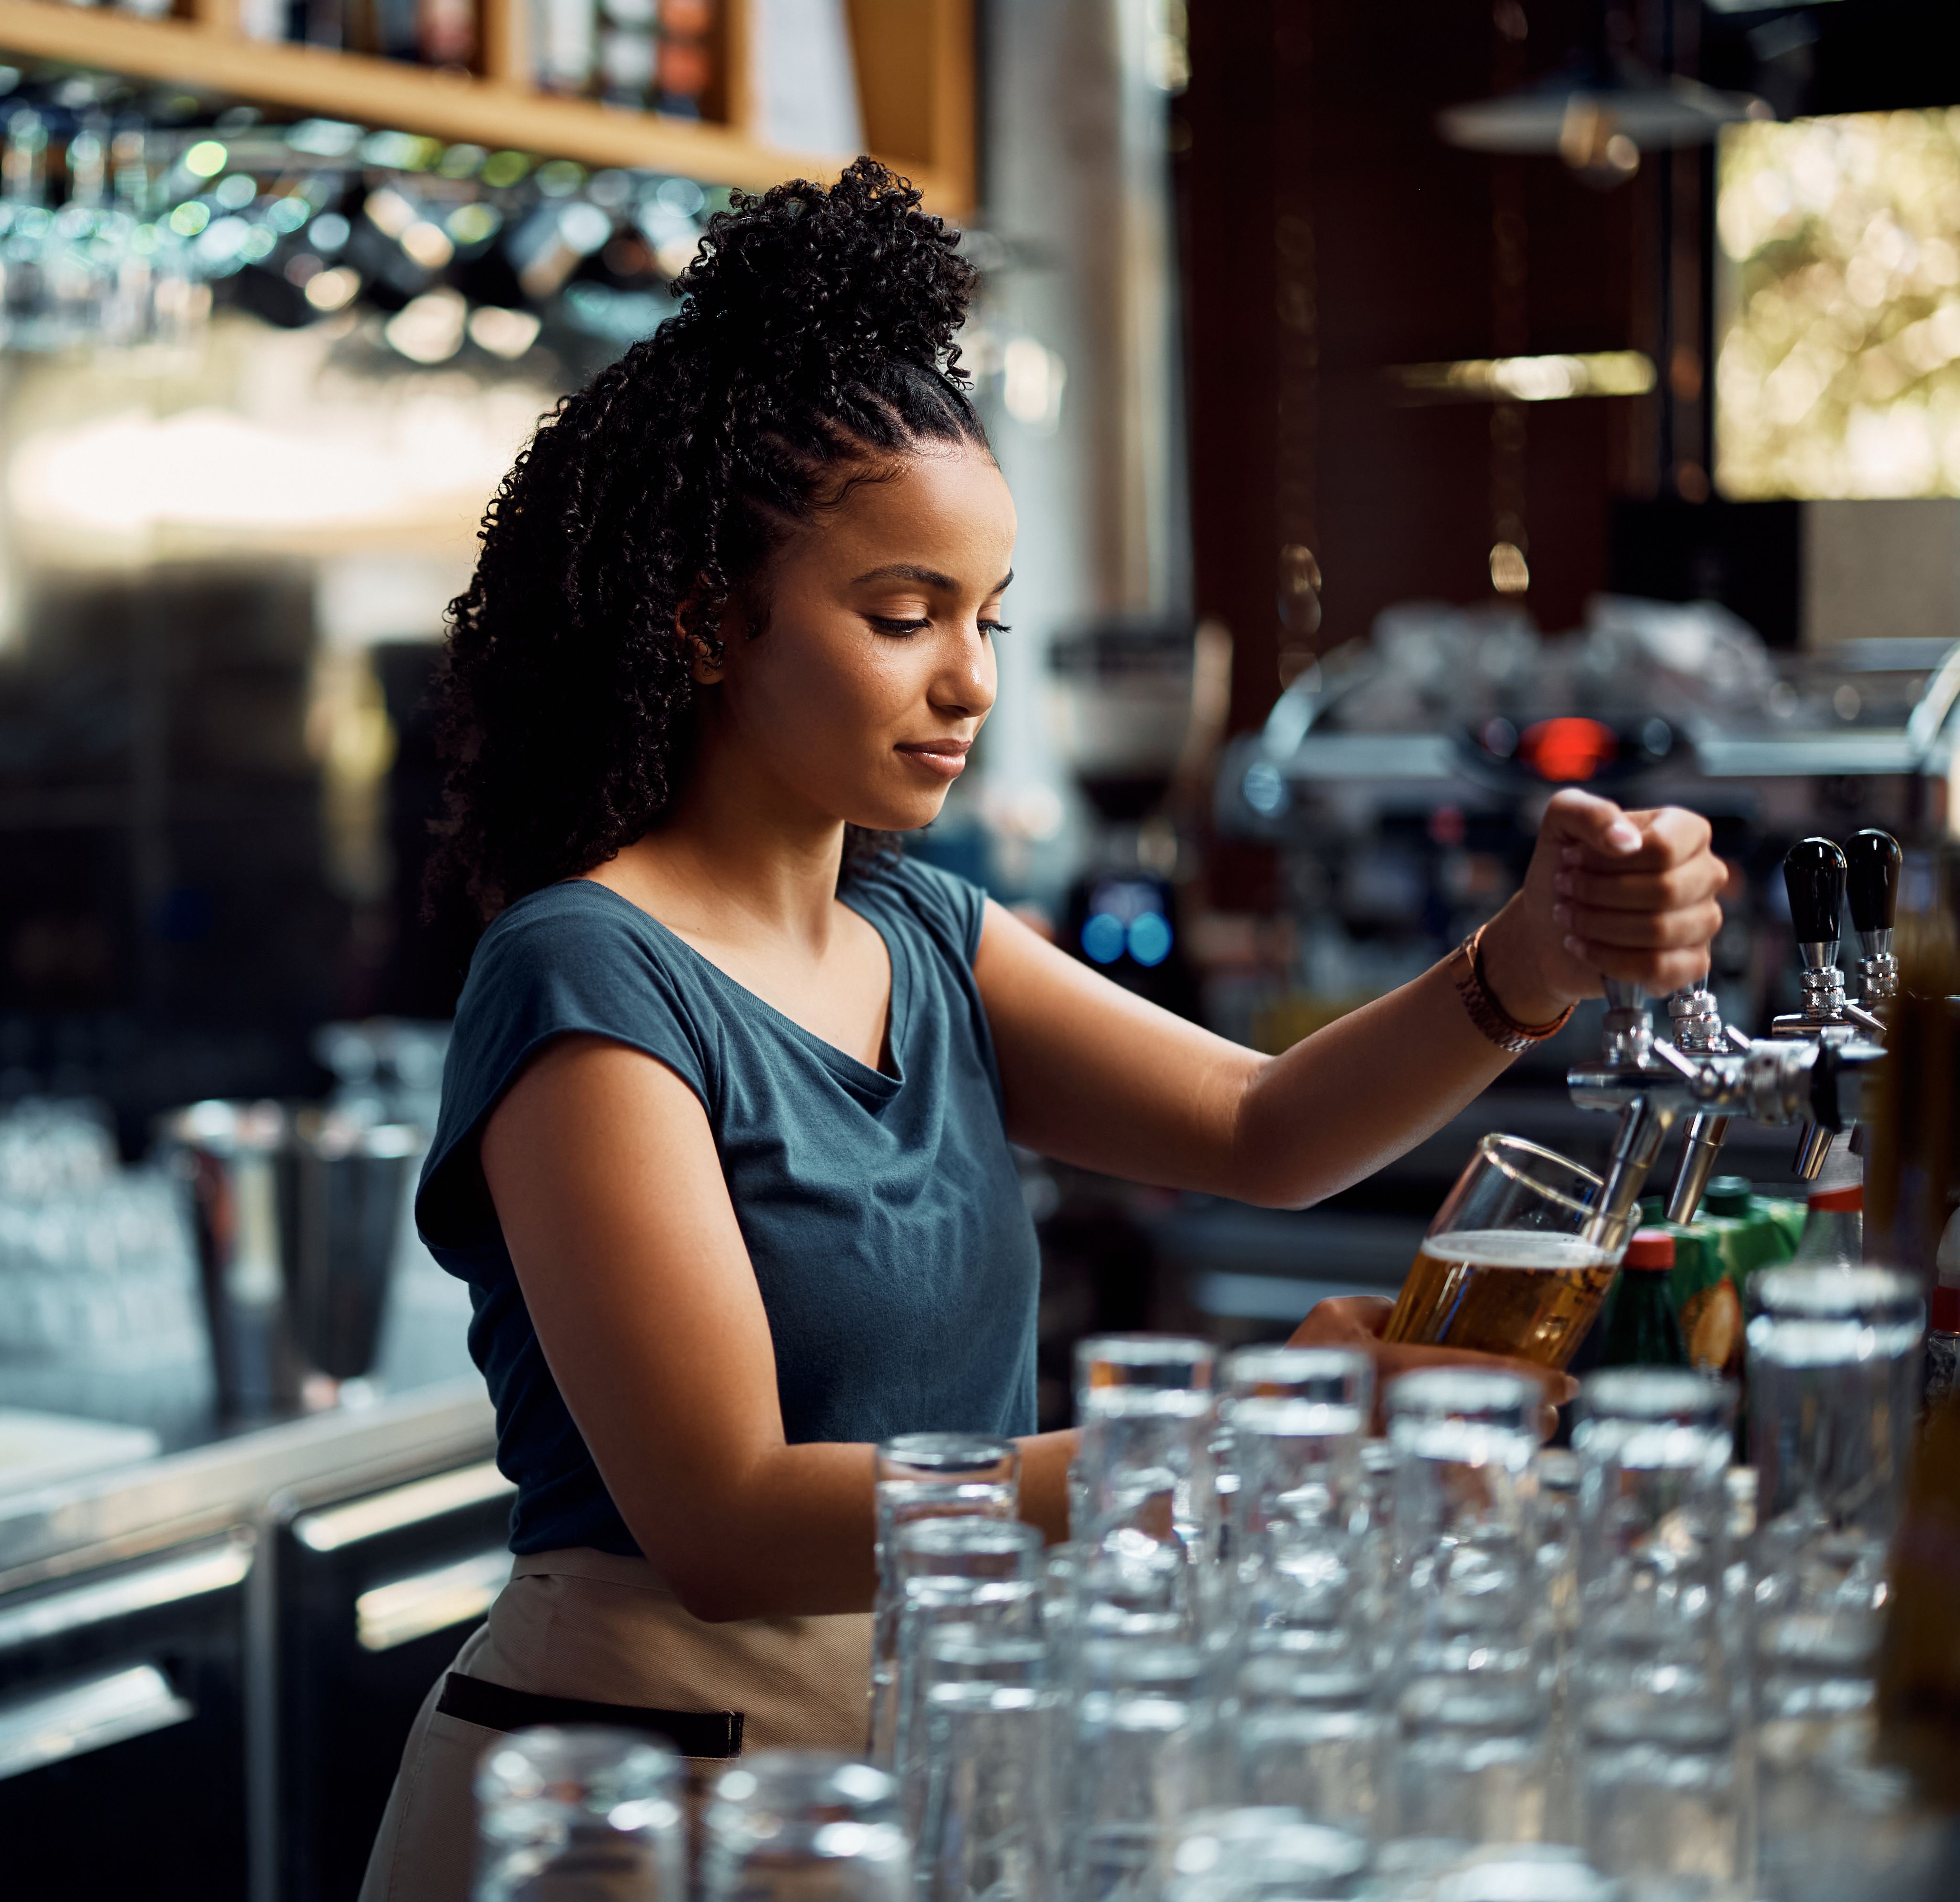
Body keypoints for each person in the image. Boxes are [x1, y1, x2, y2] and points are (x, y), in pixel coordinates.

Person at [358, 161, 1728, 1897]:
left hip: (909, 1755)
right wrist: (1252, 1434)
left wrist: (1531, 958)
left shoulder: (916, 925)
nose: (972, 681)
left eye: (986, 620)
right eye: (901, 615)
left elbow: (1265, 1131)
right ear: (708, 624)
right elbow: (724, 1520)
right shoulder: (587, 976)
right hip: (633, 1806)